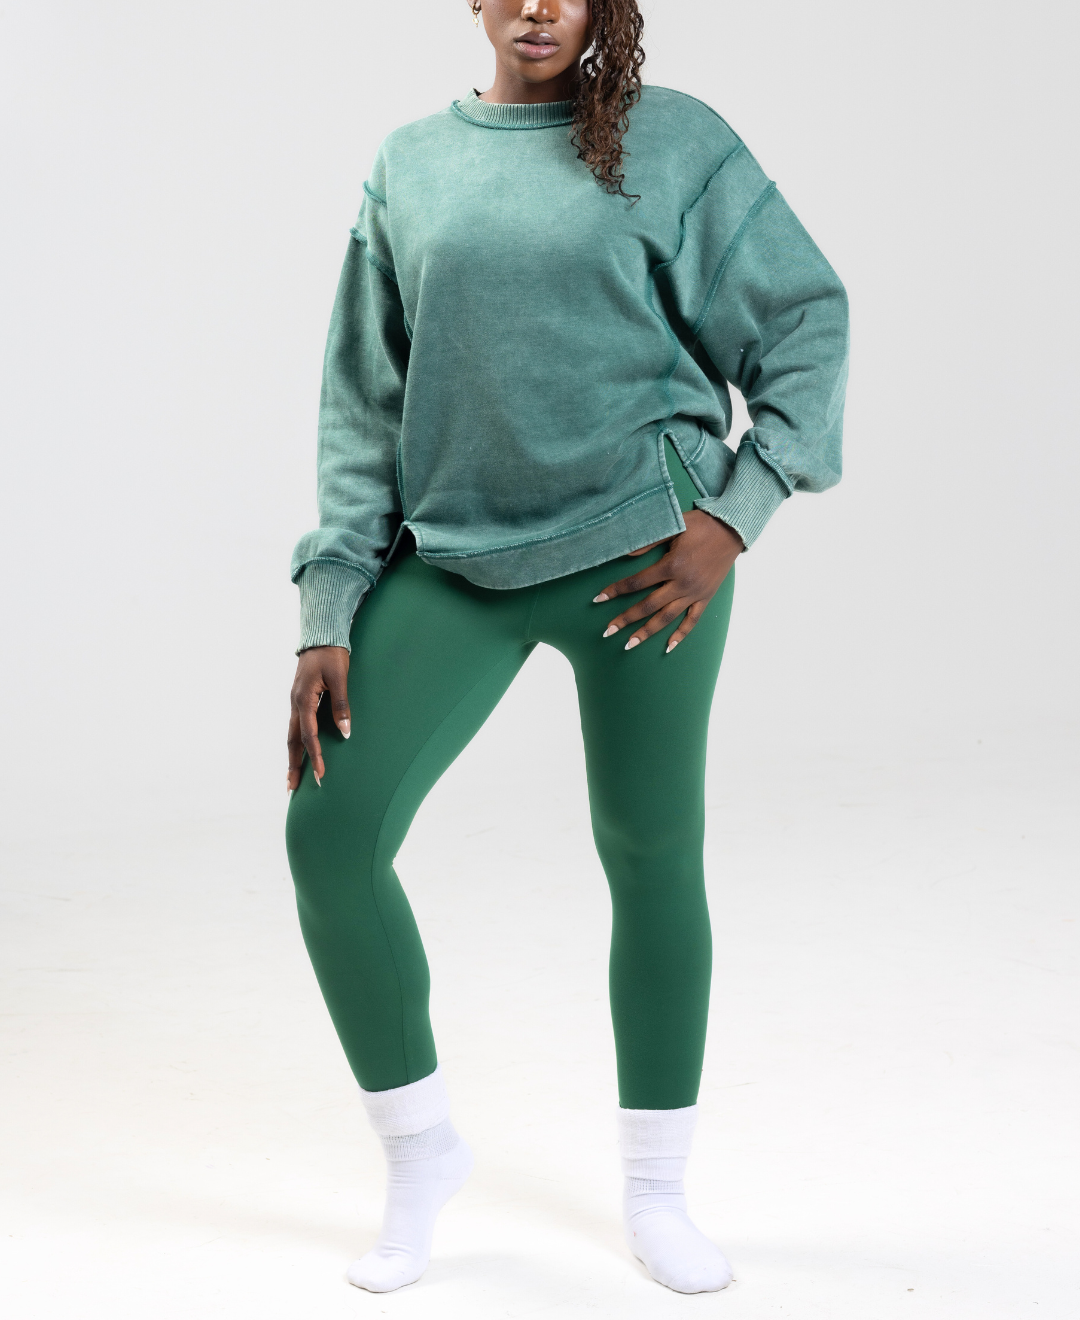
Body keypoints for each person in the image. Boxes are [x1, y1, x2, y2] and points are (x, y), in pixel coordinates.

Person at [284, 0, 848, 1296]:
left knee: (650, 850)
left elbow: (807, 318)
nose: (539, 3)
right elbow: (362, 405)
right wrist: (330, 605)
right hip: (455, 561)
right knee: (330, 836)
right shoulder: (411, 164)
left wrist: (734, 515)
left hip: (643, 557)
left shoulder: (675, 142)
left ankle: (657, 1191)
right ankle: (420, 1153)